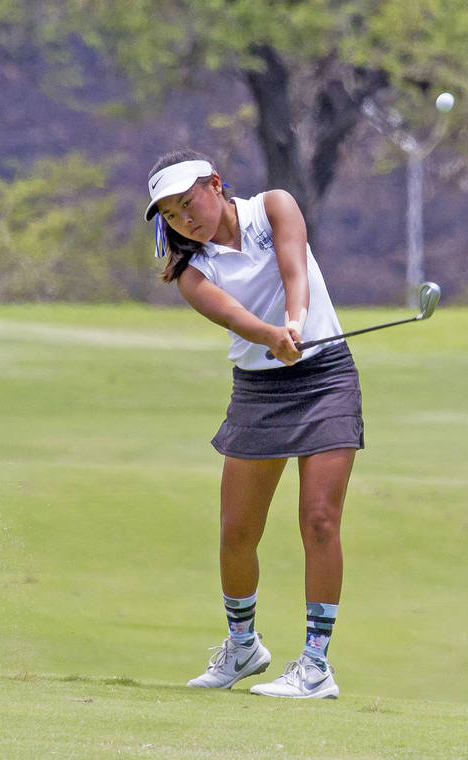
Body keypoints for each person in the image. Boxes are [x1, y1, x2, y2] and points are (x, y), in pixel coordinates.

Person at [144, 149, 364, 699]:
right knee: (237, 532)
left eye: (187, 203)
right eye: (170, 214)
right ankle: (243, 646)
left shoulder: (274, 207)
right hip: (260, 392)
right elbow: (236, 317)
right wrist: (272, 337)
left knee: (320, 520)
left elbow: (295, 270)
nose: (184, 220)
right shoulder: (192, 274)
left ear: (215, 184)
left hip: (325, 380)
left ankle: (315, 665)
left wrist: (294, 323)